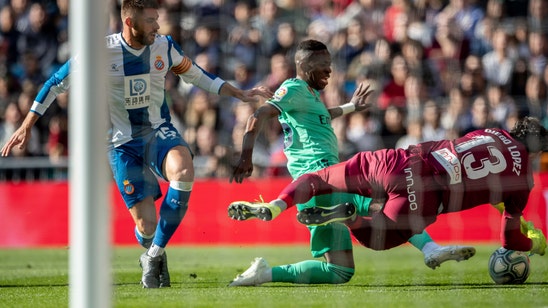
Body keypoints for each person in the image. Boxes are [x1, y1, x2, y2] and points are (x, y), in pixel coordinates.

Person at [0, 0, 272, 288]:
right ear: (130, 23)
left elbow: (196, 75)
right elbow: (55, 82)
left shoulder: (164, 46)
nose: (158, 26)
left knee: (183, 171)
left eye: (157, 19)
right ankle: (153, 249)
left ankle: (153, 254)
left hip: (157, 132)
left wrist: (238, 93)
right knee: (146, 228)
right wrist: (27, 123)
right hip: (120, 143)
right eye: (151, 21)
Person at [227, 39, 475, 287]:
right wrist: (245, 156)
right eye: (323, 64)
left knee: (339, 270)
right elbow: (258, 115)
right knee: (386, 203)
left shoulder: (308, 96)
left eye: (330, 64)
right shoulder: (293, 88)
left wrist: (349, 107)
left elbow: (323, 115)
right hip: (321, 175)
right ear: (304, 65)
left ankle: (265, 270)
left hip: (313, 187)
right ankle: (428, 247)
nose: (329, 70)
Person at [230, 117, 547, 262]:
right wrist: (534, 245)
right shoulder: (524, 180)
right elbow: (509, 238)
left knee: (319, 178)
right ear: (534, 153)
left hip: (397, 159)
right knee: (374, 239)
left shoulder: (490, 131)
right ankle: (351, 217)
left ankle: (275, 205)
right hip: (424, 194)